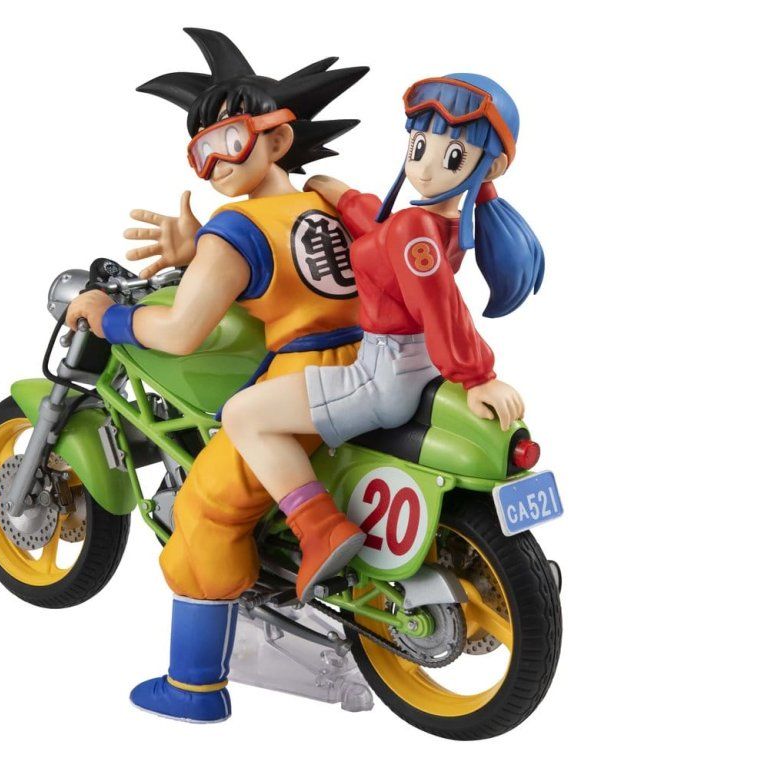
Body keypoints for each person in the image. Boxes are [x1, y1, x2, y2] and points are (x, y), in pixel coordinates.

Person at [65, 28, 368, 723]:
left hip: (306, 375)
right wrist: (195, 252)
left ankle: (195, 687)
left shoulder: (237, 229)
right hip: (372, 362)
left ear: (277, 138)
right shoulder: (327, 201)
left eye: (228, 141)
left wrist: (111, 316)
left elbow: (181, 332)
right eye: (198, 152)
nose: (214, 166)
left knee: (204, 512)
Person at [223, 74, 545, 600]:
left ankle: (318, 529)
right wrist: (346, 197)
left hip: (381, 375)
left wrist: (478, 375)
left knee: (241, 414)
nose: (425, 166)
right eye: (418, 146)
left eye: (452, 155)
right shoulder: (437, 223)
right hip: (418, 369)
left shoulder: (413, 230)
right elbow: (384, 236)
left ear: (490, 167)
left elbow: (440, 303)